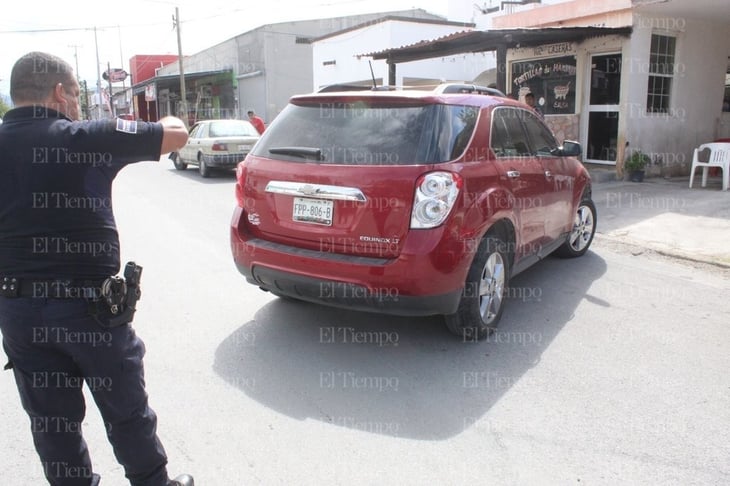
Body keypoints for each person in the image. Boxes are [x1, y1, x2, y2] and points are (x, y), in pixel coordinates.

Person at [0, 52, 194, 486]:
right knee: (126, 410)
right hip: (89, 312)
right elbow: (176, 135)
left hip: (19, 311)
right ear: (58, 93)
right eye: (75, 94)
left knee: (52, 422)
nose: (76, 103)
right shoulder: (85, 137)